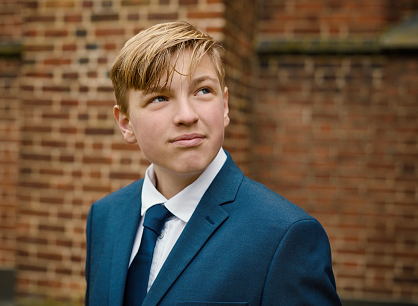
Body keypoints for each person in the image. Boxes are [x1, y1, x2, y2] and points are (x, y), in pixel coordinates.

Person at [85, 21, 341, 305]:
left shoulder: (286, 237)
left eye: (203, 91)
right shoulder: (105, 216)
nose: (187, 115)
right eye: (160, 97)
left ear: (225, 105)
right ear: (125, 123)